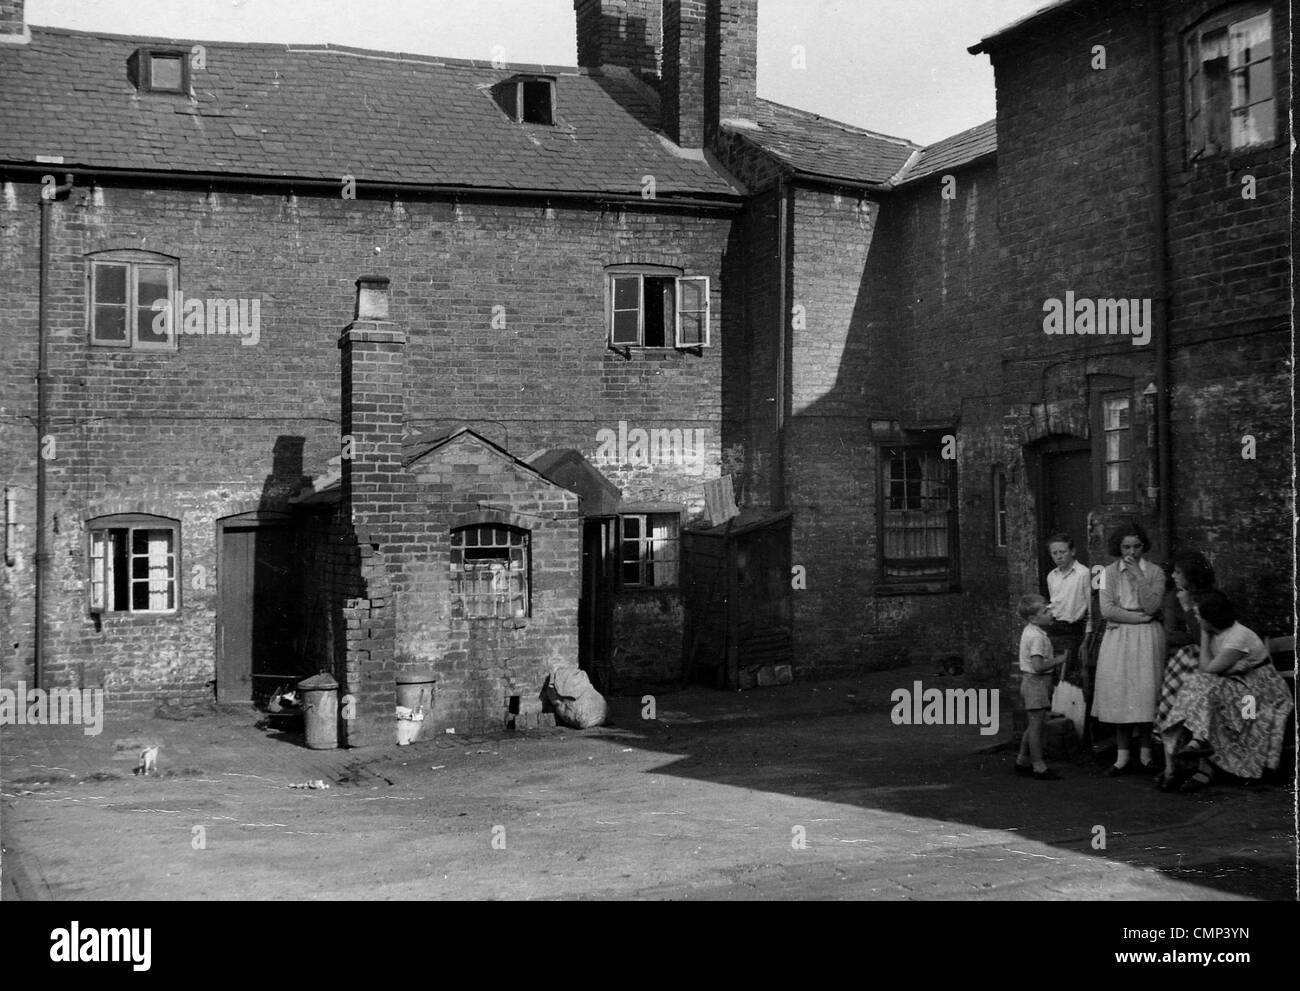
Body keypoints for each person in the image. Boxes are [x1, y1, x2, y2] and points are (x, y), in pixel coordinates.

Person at [1157, 590, 1294, 793]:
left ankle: (1190, 753)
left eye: (1199, 616)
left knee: (1202, 686)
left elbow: (1208, 669)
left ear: (1210, 621)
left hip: (1262, 690)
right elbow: (1212, 673)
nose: (1196, 618)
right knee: (1198, 686)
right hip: (1237, 683)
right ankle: (1191, 748)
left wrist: (1203, 636)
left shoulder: (1237, 638)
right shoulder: (1218, 632)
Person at [1092, 523, 1166, 776]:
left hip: (1147, 638)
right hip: (1119, 638)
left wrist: (1138, 577)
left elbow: (1153, 605)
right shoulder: (1106, 573)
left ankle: (1145, 755)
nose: (1131, 552)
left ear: (1143, 547)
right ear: (1118, 548)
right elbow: (1107, 610)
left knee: (1145, 694)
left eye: (1136, 546)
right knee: (1120, 695)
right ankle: (1122, 757)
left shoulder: (1155, 572)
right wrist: (1138, 618)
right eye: (1126, 547)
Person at [1153, 551, 1217, 787]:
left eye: (1178, 572)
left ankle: (1203, 765)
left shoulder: (1211, 597)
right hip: (1182, 658)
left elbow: (1207, 637)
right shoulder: (1172, 597)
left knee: (1202, 699)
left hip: (1209, 659)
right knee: (1172, 702)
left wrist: (1189, 610)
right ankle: (1171, 767)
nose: (1173, 576)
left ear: (1192, 575)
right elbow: (1171, 635)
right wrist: (1197, 634)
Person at [1014, 594, 1065, 780]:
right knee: (1037, 727)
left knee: (1035, 724)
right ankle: (1038, 766)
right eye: (1045, 611)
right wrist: (1058, 660)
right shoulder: (1036, 637)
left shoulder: (1032, 631)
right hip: (1036, 683)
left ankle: (1022, 760)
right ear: (1033, 619)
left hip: (1035, 684)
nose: (1051, 612)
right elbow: (1038, 666)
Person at [1045, 533, 1091, 676]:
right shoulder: (1052, 576)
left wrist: (1087, 638)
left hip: (1073, 631)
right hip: (1053, 629)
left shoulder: (1084, 574)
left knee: (1068, 674)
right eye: (1054, 553)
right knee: (1052, 673)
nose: (1059, 556)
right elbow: (1054, 604)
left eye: (1063, 552)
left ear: (1072, 551)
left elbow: (1091, 608)